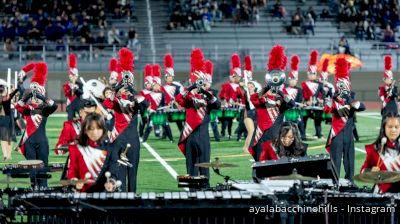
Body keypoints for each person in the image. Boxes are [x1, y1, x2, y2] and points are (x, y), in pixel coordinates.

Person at [176, 49, 220, 188]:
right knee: (191, 164)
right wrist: (191, 87)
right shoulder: (189, 96)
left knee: (204, 163)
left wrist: (205, 92)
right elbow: (179, 99)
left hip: (203, 134)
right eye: (199, 81)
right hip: (189, 134)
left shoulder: (209, 95)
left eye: (203, 81)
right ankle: (191, 189)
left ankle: (205, 188)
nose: (201, 83)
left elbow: (217, 105)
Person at [103, 48, 141, 192]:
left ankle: (132, 200)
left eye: (128, 80)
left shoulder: (137, 97)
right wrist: (117, 88)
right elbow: (107, 104)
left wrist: (131, 90)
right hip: (118, 138)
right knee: (119, 174)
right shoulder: (115, 99)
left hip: (133, 139)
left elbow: (143, 105)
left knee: (132, 174)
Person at [15, 62, 58, 187]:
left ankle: (44, 190)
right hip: (29, 142)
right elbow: (18, 107)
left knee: (43, 168)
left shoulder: (45, 109)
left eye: (37, 94)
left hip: (42, 142)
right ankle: (34, 190)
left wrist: (42, 97)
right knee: (32, 170)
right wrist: (26, 97)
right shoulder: (27, 108)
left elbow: (54, 106)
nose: (35, 96)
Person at [325, 57, 366, 181]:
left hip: (348, 132)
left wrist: (350, 101)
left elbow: (362, 107)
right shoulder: (333, 97)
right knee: (335, 160)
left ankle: (350, 182)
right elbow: (327, 109)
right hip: (337, 133)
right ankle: (334, 182)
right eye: (340, 84)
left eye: (345, 85)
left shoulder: (351, 97)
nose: (343, 87)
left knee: (349, 160)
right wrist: (334, 98)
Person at [66, 112, 114, 192]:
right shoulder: (76, 148)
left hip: (103, 194)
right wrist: (75, 181)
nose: (95, 133)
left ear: (103, 130)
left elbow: (114, 171)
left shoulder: (110, 148)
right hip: (81, 195)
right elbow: (72, 171)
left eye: (99, 128)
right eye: (91, 129)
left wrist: (112, 183)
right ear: (85, 130)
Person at [361, 112, 400, 193]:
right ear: (384, 128)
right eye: (390, 127)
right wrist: (371, 171)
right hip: (382, 193)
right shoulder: (375, 149)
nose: (393, 130)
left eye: (396, 127)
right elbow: (363, 171)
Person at [219, 54, 244, 139]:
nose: (234, 78)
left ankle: (238, 133)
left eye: (236, 76)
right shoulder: (226, 86)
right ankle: (223, 132)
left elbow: (241, 97)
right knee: (225, 121)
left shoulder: (240, 86)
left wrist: (239, 101)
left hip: (237, 106)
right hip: (228, 106)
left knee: (239, 120)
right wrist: (225, 101)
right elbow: (221, 95)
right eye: (233, 76)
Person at [301, 50, 325, 139]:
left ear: (316, 74)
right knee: (304, 119)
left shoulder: (320, 84)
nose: (311, 75)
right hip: (307, 105)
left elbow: (322, 94)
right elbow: (303, 94)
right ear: (308, 74)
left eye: (313, 74)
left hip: (317, 105)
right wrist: (305, 101)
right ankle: (303, 135)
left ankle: (318, 133)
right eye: (310, 74)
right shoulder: (304, 84)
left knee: (317, 120)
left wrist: (321, 99)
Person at [283, 55, 306, 140]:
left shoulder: (299, 90)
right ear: (288, 80)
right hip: (287, 110)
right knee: (286, 123)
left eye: (294, 79)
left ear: (296, 80)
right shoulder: (284, 89)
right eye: (291, 79)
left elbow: (300, 99)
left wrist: (300, 104)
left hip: (296, 110)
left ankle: (303, 135)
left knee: (300, 123)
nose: (292, 81)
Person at [0, 81, 19, 161]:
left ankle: (5, 155)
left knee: (3, 138)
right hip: (8, 119)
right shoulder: (6, 98)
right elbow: (16, 91)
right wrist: (14, 89)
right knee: (10, 138)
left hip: (1, 119)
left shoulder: (3, 98)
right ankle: (8, 155)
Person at [63, 53, 83, 120]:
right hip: (70, 104)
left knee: (82, 118)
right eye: (71, 76)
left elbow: (81, 93)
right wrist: (72, 87)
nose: (72, 77)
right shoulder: (66, 85)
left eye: (74, 76)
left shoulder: (79, 84)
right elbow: (67, 94)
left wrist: (76, 88)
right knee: (70, 119)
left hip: (78, 103)